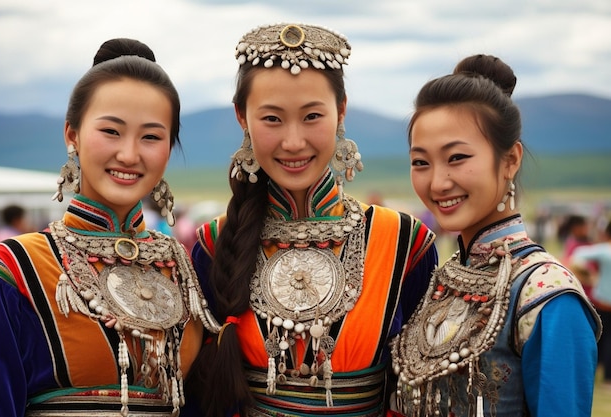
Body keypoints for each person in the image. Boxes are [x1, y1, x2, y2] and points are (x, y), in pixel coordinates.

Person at [186, 23, 438, 417]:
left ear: (341, 111)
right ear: (242, 118)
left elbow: (422, 394)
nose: (293, 142)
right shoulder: (216, 243)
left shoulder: (404, 242)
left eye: (311, 116)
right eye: (272, 119)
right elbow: (202, 396)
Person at [0, 38, 217, 417]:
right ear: (71, 135)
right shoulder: (16, 271)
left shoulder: (185, 270)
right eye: (111, 131)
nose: (129, 154)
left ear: (169, 148)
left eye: (151, 137)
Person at [391, 54, 602, 417]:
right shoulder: (439, 280)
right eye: (421, 162)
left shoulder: (547, 297)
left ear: (510, 160)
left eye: (456, 157)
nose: (438, 182)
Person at [572, 219, 611, 389]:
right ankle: (608, 379)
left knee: (597, 339)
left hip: (601, 300)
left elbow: (578, 254)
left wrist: (586, 274)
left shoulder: (604, 251)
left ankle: (590, 373)